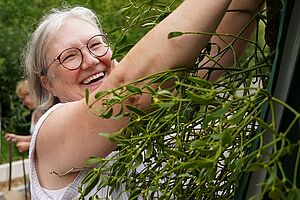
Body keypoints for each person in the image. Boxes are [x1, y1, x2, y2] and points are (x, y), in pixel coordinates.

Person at [24, 0, 262, 199]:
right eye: (70, 57)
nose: (91, 60)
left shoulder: (150, 107)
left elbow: (212, 59)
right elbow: (128, 93)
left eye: (95, 44)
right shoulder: (49, 133)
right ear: (47, 82)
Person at [5, 79, 39, 153]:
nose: (23, 103)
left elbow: (53, 140)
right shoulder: (34, 114)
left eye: (23, 99)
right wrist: (16, 138)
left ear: (32, 94)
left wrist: (29, 145)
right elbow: (34, 138)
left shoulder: (47, 112)